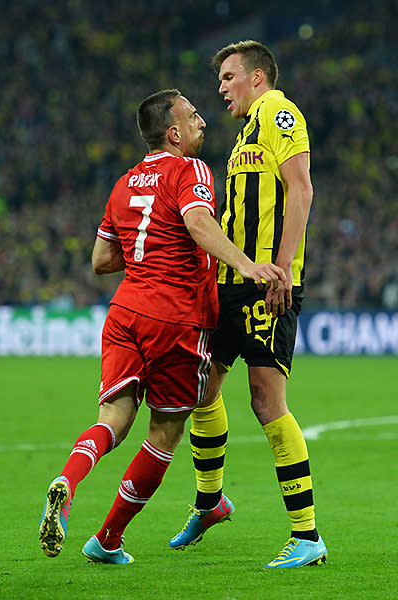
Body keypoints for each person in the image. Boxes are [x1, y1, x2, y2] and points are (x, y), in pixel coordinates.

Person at [38, 88, 286, 564]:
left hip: (124, 312)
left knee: (112, 420)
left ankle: (68, 480)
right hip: (176, 317)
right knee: (165, 434)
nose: (203, 123)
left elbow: (100, 260)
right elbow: (197, 223)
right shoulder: (190, 169)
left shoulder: (124, 183)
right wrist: (248, 265)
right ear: (173, 132)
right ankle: (108, 539)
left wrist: (145, 250)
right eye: (193, 117)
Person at [169, 41, 328, 569]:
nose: (220, 87)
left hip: (266, 284)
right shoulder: (244, 136)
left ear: (258, 77)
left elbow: (300, 190)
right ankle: (211, 502)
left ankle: (307, 536)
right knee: (202, 387)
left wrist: (281, 267)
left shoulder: (280, 114)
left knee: (266, 401)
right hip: (231, 284)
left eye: (229, 76)